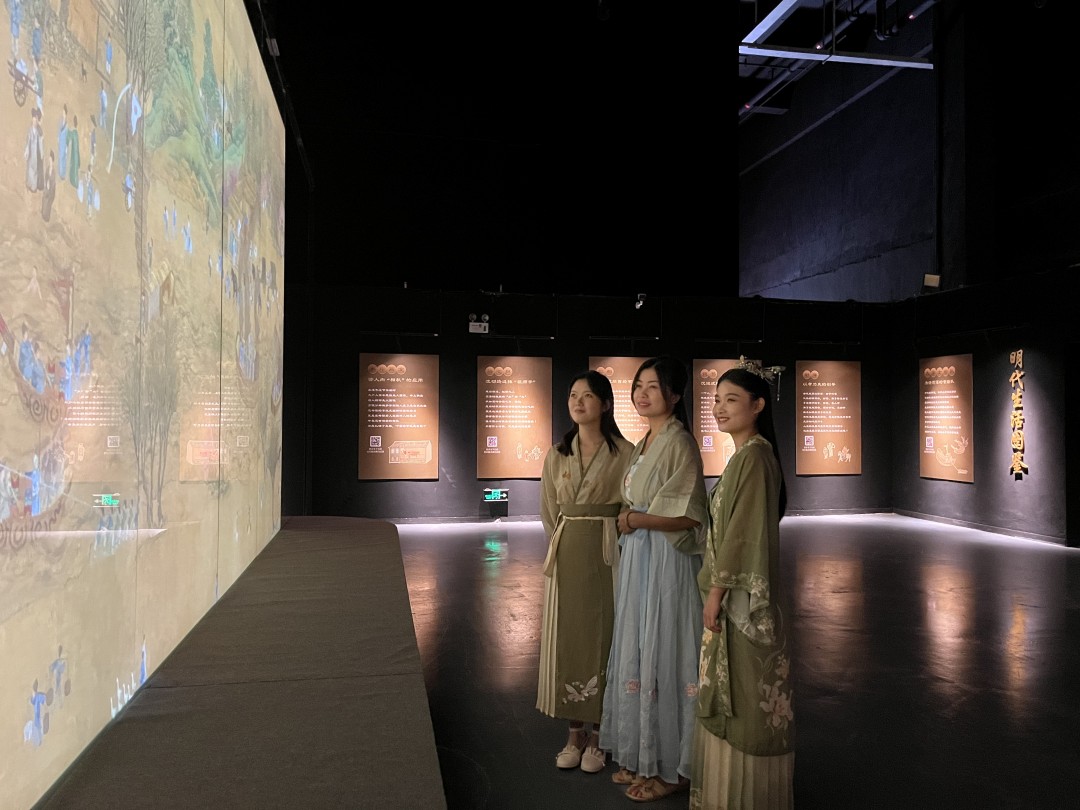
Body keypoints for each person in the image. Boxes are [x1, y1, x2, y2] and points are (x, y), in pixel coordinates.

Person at [601, 355, 708, 802]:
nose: (642, 394)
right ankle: (641, 751)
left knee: (666, 645)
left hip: (667, 560)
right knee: (640, 644)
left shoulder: (679, 442)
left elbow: (690, 514)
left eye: (653, 386)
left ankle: (673, 765)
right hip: (641, 557)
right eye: (638, 386)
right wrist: (633, 521)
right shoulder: (645, 441)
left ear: (675, 395)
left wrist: (636, 519)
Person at [692, 364, 794, 810]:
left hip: (739, 599)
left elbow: (742, 534)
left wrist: (717, 592)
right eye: (717, 400)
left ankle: (743, 797)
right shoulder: (747, 456)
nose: (719, 408)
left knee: (748, 692)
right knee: (742, 688)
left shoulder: (753, 457)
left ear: (758, 406)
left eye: (731, 399)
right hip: (734, 592)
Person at [537, 370, 634, 775]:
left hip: (608, 550)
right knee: (570, 634)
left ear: (606, 404)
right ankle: (574, 732)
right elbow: (548, 509)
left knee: (606, 633)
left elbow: (631, 504)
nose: (578, 402)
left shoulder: (625, 453)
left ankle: (600, 734)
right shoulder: (558, 453)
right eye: (573, 395)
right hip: (569, 548)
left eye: (588, 396)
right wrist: (563, 541)